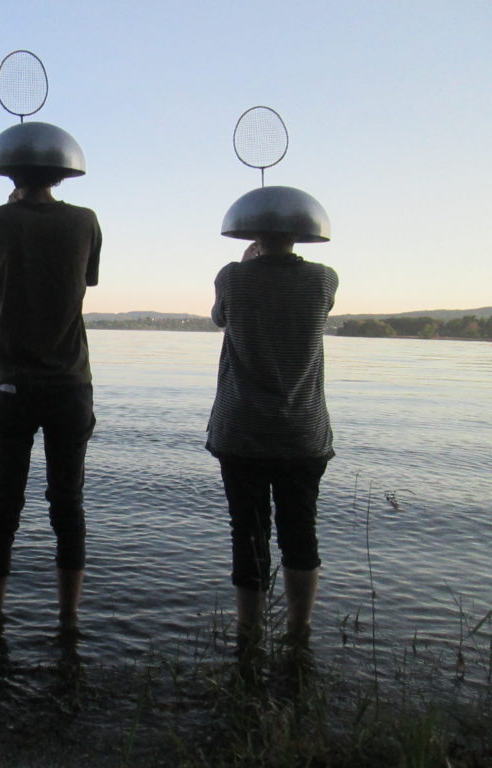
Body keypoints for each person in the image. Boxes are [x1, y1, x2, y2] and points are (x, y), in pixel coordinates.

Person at [0, 121, 102, 632]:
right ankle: (69, 618)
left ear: (9, 172)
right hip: (71, 384)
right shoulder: (86, 221)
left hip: (10, 384)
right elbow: (85, 279)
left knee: (2, 507)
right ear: (61, 173)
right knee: (68, 505)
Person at [207, 185, 338, 655]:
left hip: (241, 431)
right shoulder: (324, 279)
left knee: (248, 534)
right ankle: (299, 635)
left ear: (252, 233)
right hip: (302, 433)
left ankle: (249, 636)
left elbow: (220, 318)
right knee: (301, 534)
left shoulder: (232, 277)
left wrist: (247, 264)